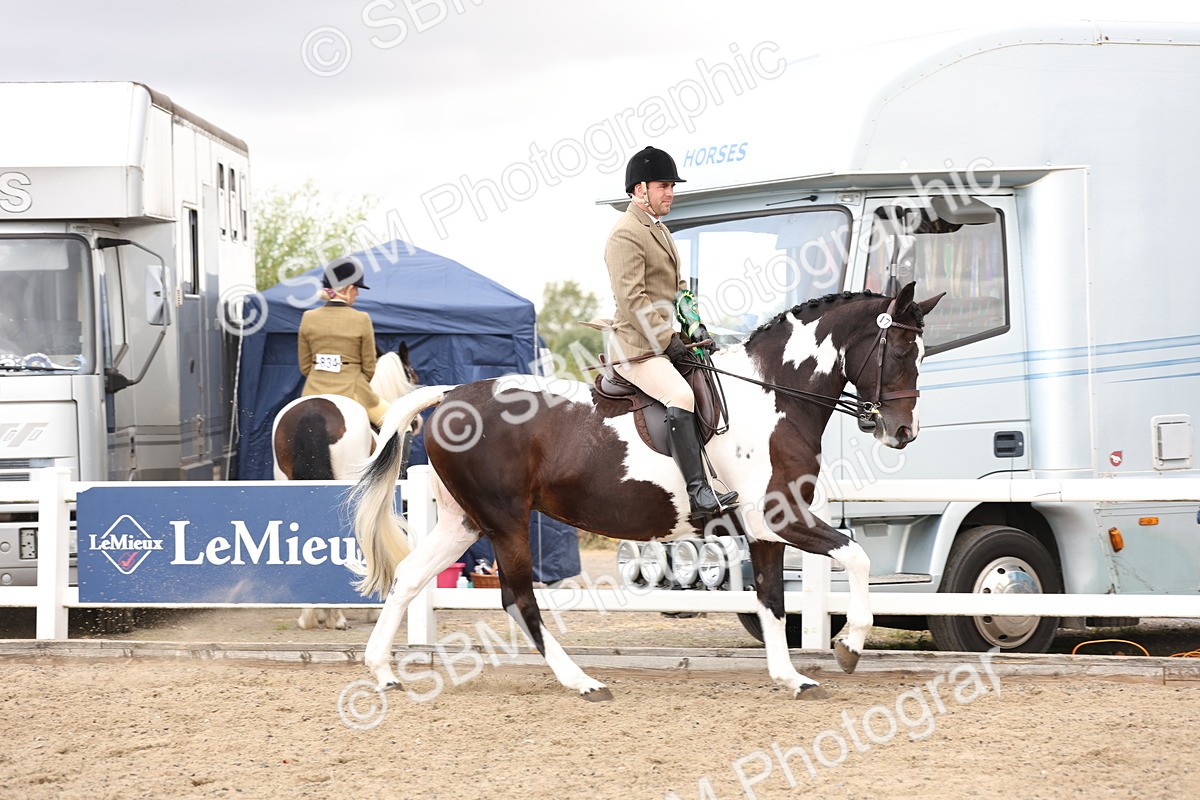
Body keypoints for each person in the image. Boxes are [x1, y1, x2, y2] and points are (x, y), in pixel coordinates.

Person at [603, 146, 737, 519]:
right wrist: (669, 341)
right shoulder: (625, 233)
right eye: (664, 186)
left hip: (664, 342)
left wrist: (695, 325)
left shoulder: (660, 230)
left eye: (672, 186)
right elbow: (632, 299)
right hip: (637, 347)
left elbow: (679, 289)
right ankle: (699, 494)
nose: (671, 193)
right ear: (639, 189)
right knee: (680, 393)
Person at [297, 257, 389, 427]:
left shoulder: (308, 317)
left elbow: (304, 366)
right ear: (347, 288)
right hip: (353, 389)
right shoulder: (362, 319)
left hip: (312, 390)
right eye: (356, 289)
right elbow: (369, 366)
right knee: (399, 425)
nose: (358, 294)